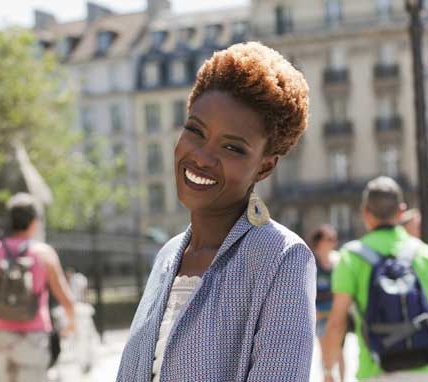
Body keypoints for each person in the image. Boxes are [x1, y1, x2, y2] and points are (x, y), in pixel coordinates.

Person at [117, 42, 315, 381]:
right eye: (195, 131)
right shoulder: (167, 256)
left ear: (264, 167)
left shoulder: (283, 258)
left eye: (232, 147)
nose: (202, 157)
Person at [322, 177, 428, 382]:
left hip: (375, 370)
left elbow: (337, 323)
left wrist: (329, 370)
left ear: (365, 212)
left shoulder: (350, 257)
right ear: (401, 211)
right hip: (426, 370)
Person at [0, 193, 75, 382]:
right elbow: (66, 300)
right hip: (34, 337)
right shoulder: (44, 254)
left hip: (1, 336)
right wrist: (70, 326)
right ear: (34, 222)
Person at [309, 225, 344, 381]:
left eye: (334, 239)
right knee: (326, 355)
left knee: (340, 353)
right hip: (321, 315)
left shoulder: (338, 260)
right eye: (329, 239)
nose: (333, 242)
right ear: (319, 241)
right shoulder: (310, 261)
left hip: (337, 315)